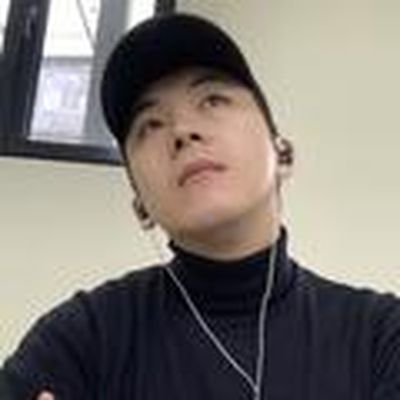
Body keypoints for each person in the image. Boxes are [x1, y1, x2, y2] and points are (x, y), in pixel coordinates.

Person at [1, 12, 399, 400]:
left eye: (212, 100)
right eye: (150, 125)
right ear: (140, 205)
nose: (182, 131)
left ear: (282, 153)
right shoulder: (82, 340)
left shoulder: (381, 337)